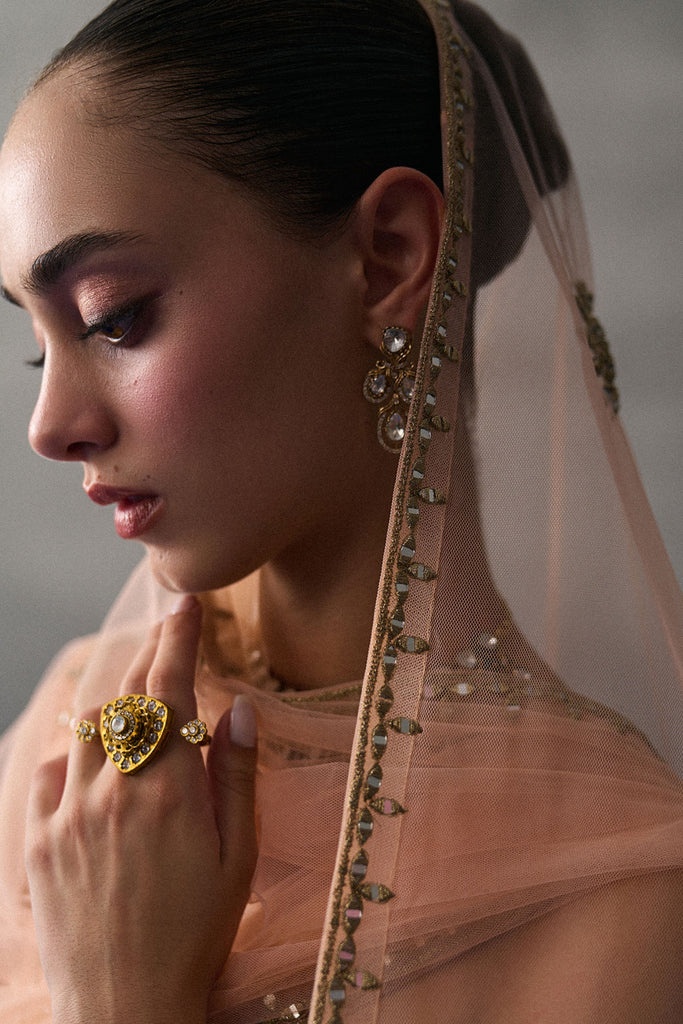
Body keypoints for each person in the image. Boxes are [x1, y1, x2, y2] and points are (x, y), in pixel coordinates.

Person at [0, 0, 681, 1021]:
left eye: (114, 318)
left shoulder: (625, 897)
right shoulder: (72, 755)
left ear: (388, 257)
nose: (50, 427)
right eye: (37, 346)